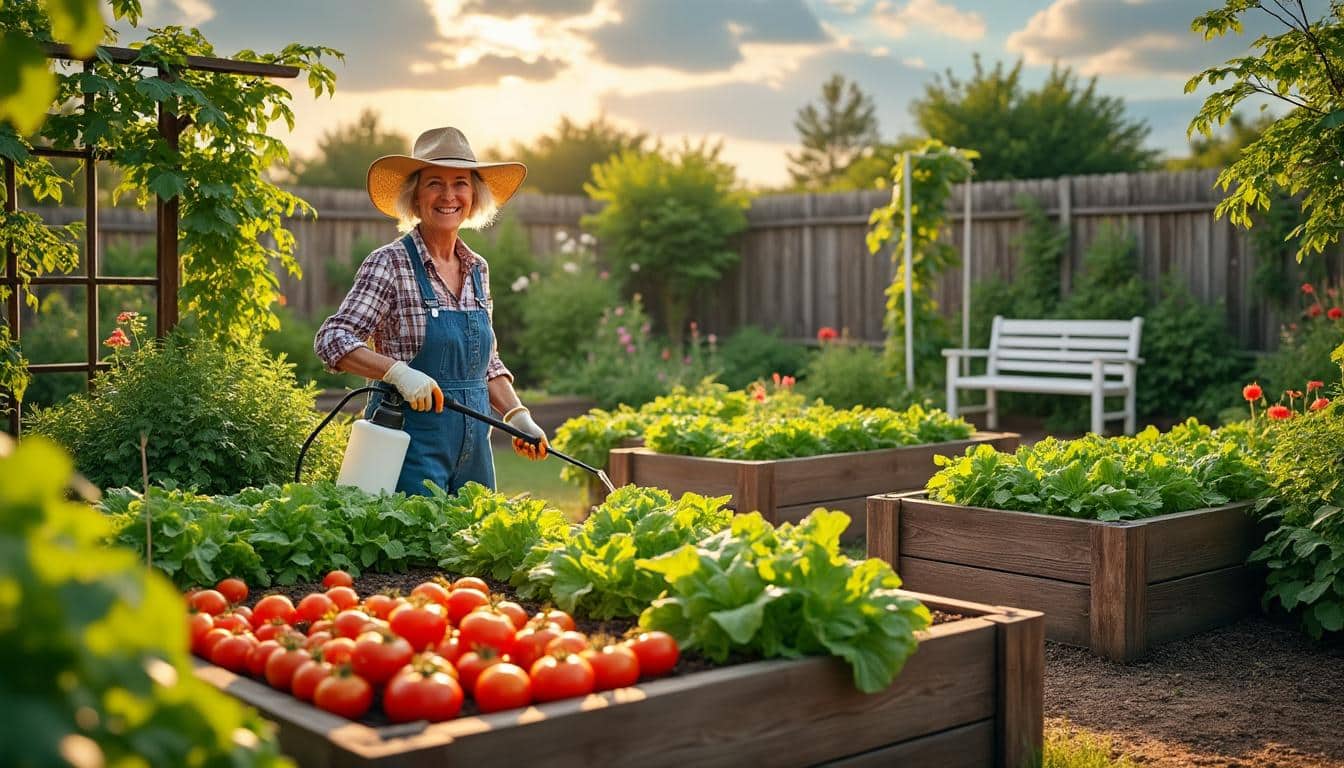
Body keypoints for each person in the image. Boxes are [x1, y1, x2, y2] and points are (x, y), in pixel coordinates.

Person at [314, 126, 547, 496]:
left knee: (473, 549)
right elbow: (332, 340)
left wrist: (518, 415)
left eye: (460, 183)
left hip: (473, 452)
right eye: (435, 183)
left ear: (474, 195)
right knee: (412, 549)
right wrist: (398, 373)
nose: (449, 195)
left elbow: (485, 362)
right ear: (416, 196)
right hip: (405, 446)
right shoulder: (389, 263)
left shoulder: (476, 268)